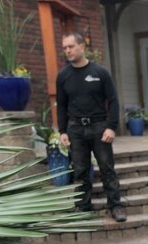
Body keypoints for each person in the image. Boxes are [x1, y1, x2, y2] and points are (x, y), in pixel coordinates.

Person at [57, 32, 126, 222]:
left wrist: (111, 127)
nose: (67, 51)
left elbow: (113, 101)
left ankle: (116, 206)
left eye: (70, 46)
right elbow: (61, 105)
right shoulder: (63, 76)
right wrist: (62, 131)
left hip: (99, 128)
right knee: (79, 170)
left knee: (107, 168)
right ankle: (82, 207)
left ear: (82, 47)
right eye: (64, 48)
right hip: (76, 129)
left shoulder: (100, 73)